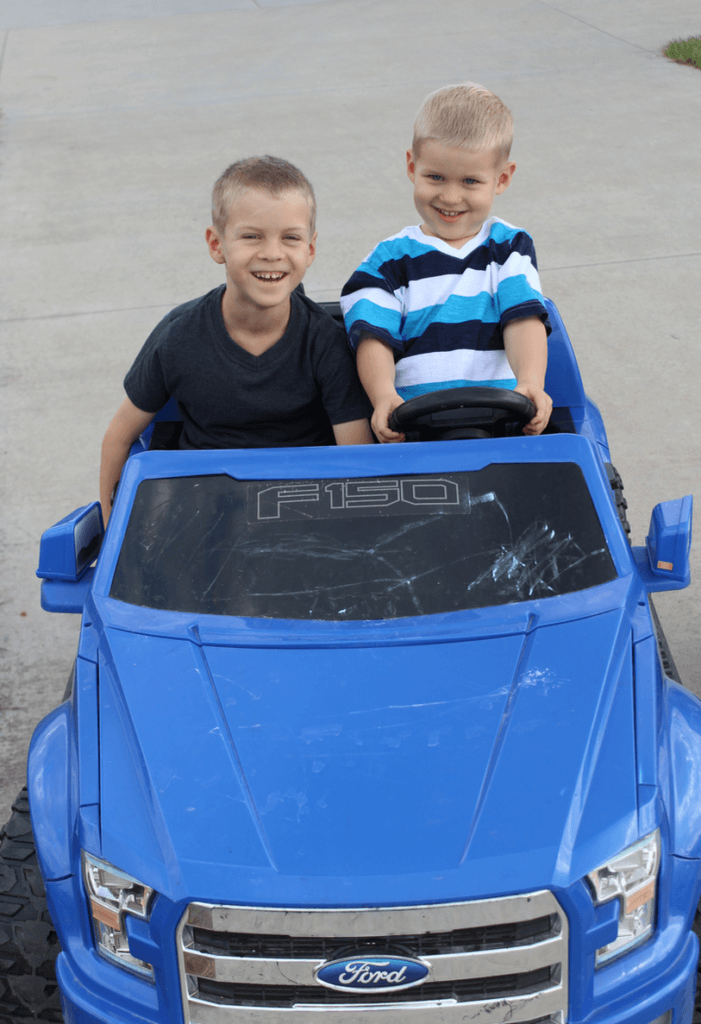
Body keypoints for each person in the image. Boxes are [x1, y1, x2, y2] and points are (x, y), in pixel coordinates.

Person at [99, 156, 373, 518]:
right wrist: (108, 530)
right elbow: (118, 438)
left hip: (303, 512)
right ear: (217, 244)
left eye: (290, 237)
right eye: (251, 236)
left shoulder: (325, 342)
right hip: (203, 517)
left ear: (310, 249)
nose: (272, 253)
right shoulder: (178, 337)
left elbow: (358, 466)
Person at [340, 83, 552, 443]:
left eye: (470, 181)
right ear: (412, 166)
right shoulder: (388, 261)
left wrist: (530, 383)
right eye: (435, 177)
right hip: (414, 430)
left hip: (503, 427)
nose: (450, 196)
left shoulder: (508, 247)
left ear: (501, 178)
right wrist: (383, 396)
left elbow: (523, 319)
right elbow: (373, 338)